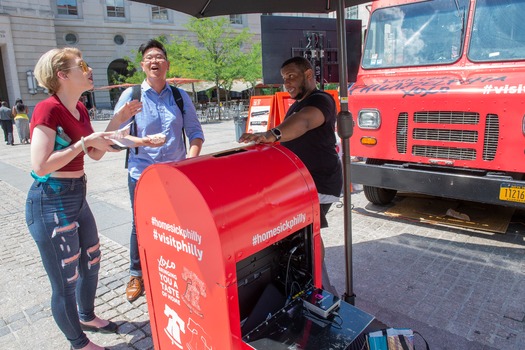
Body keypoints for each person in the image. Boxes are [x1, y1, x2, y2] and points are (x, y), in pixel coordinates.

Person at [25, 47, 141, 350]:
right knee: (65, 281)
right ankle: (79, 342)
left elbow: (95, 153)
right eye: (82, 65)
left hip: (78, 195)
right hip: (50, 201)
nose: (88, 70)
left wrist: (117, 121)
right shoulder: (47, 109)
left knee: (92, 262)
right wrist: (83, 143)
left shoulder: (80, 109)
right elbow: (40, 165)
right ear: (62, 75)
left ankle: (87, 315)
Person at [239, 56, 343, 295]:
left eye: (292, 76)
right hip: (303, 181)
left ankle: (321, 286)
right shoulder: (298, 103)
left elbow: (305, 122)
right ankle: (312, 282)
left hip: (319, 182)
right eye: (284, 79)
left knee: (307, 233)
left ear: (308, 74)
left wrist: (272, 133)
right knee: (300, 233)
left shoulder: (321, 99)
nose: (287, 83)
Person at [113, 39, 205, 303]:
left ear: (167, 64)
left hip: (175, 173)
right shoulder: (132, 96)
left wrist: (190, 160)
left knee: (176, 222)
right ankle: (136, 273)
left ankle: (173, 266)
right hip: (141, 173)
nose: (155, 61)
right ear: (143, 65)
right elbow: (117, 138)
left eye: (160, 57)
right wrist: (141, 142)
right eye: (149, 58)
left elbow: (195, 132)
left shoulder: (179, 95)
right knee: (139, 223)